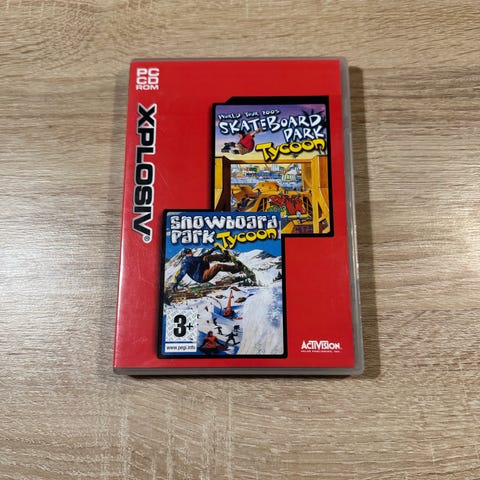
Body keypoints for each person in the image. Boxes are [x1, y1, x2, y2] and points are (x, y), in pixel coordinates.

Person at [172, 248, 242, 291]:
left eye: (191, 251)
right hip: (201, 277)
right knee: (217, 266)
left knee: (205, 258)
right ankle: (235, 269)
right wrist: (176, 283)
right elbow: (182, 272)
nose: (191, 253)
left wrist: (212, 250)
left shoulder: (192, 258)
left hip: (202, 270)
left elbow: (202, 256)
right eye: (189, 252)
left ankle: (223, 257)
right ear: (186, 254)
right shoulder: (186, 263)